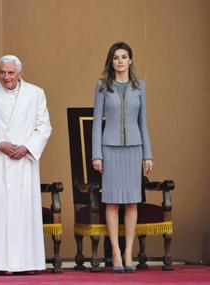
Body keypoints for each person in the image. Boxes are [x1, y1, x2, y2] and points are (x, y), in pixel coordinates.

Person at [0, 55, 52, 274]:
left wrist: (27, 148)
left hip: (24, 161)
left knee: (23, 212)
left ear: (20, 73)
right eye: (2, 72)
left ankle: (27, 263)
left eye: (11, 73)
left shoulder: (36, 93)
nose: (6, 77)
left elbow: (44, 127)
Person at [92, 42, 153, 273]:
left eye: (124, 56)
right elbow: (97, 123)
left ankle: (129, 251)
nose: (120, 61)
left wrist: (148, 154)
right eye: (115, 57)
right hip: (110, 149)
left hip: (134, 149)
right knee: (112, 201)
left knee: (131, 201)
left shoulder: (140, 87)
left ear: (130, 60)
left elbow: (142, 121)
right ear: (111, 62)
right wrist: (96, 154)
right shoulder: (102, 87)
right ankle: (115, 253)